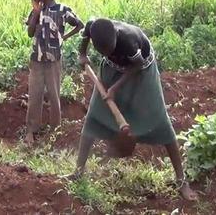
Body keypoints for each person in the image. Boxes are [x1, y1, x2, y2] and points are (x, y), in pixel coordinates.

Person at [70, 18, 198, 201]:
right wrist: (83, 54)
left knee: (159, 120)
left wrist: (114, 88)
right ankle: (78, 172)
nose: (107, 52)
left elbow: (137, 66)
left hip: (141, 73)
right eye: (103, 51)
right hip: (112, 69)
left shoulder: (129, 40)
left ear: (116, 36)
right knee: (94, 116)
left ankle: (181, 180)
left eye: (110, 49)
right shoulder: (93, 26)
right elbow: (85, 38)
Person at [24, 0, 83, 144]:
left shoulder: (62, 10)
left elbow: (79, 24)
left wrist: (64, 37)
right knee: (34, 95)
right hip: (36, 59)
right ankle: (31, 131)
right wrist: (36, 12)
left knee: (54, 95)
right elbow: (30, 32)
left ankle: (55, 131)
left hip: (53, 60)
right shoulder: (36, 10)